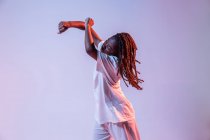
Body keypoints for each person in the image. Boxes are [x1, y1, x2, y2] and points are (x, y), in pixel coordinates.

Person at [58, 17, 144, 140]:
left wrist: (88, 25)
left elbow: (89, 49)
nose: (104, 47)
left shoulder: (113, 63)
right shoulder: (106, 52)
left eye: (108, 48)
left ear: (117, 55)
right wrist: (70, 24)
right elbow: (90, 32)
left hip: (119, 117)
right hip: (103, 116)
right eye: (107, 42)